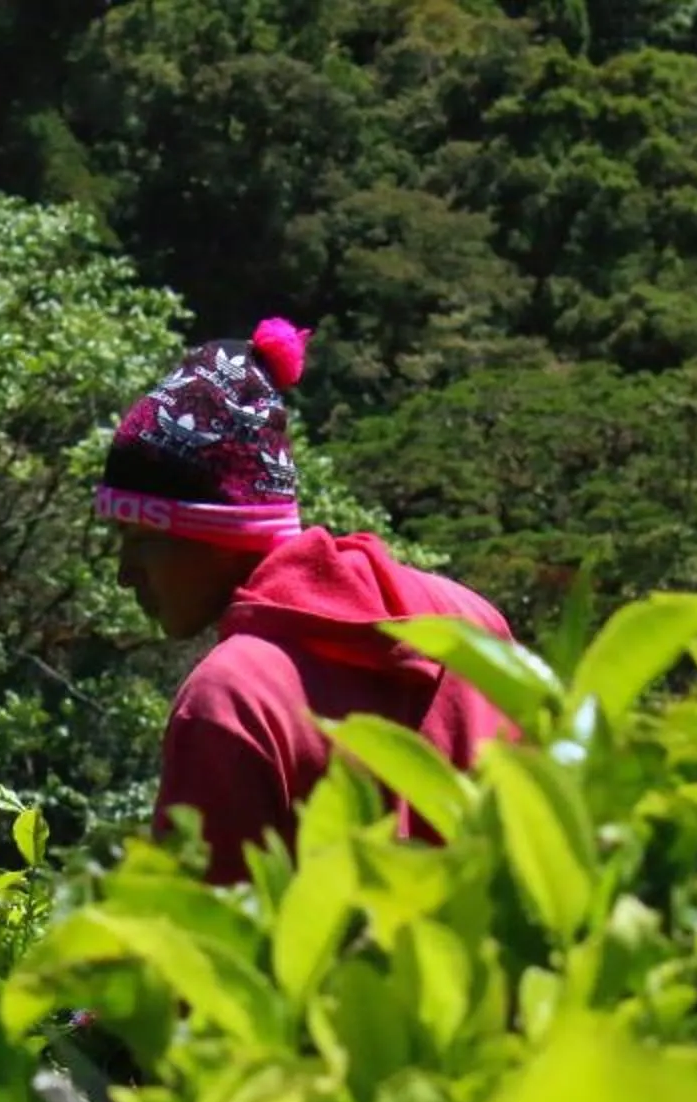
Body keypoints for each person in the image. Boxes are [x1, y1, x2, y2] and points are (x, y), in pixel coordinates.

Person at [98, 318, 519, 884]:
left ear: (219, 536)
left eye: (143, 540)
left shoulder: (230, 701)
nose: (124, 575)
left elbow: (203, 931)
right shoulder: (471, 623)